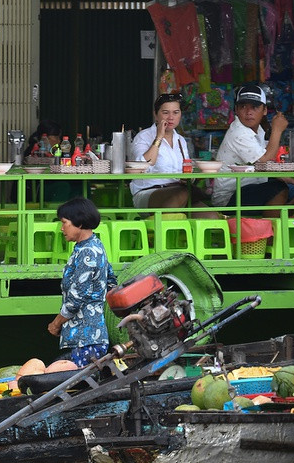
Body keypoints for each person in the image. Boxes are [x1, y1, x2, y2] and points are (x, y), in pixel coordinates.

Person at [47, 198, 117, 367]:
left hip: (86, 339)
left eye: (65, 223)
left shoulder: (87, 253)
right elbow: (111, 280)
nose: (62, 228)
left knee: (77, 387)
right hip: (90, 337)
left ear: (78, 223)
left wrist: (56, 324)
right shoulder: (94, 245)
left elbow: (76, 298)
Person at [212, 83, 294, 215]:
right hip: (229, 199)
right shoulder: (239, 132)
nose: (248, 112)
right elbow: (263, 161)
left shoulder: (257, 132)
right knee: (279, 188)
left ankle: (278, 224)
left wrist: (286, 177)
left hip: (249, 189)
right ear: (236, 110)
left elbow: (265, 165)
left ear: (264, 110)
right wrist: (277, 130)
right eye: (243, 106)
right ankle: (272, 231)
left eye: (255, 107)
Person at [130, 93, 213, 216]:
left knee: (211, 217)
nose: (171, 117)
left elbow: (186, 169)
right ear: (156, 114)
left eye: (175, 112)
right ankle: (162, 232)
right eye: (165, 112)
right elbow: (141, 167)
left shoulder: (181, 140)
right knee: (181, 193)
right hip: (149, 192)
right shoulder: (144, 137)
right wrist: (159, 137)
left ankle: (175, 227)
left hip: (180, 191)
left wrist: (190, 178)